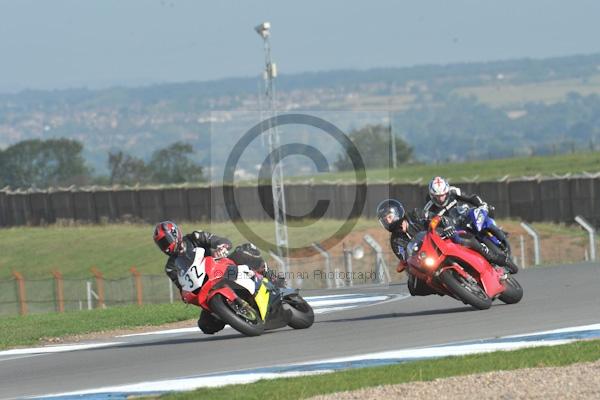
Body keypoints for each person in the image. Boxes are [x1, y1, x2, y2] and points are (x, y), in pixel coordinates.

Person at [423, 176, 518, 274]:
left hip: (464, 215)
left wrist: (481, 204)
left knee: (486, 211)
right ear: (432, 195)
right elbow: (429, 225)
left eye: (443, 195)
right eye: (437, 196)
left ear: (447, 191)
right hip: (456, 229)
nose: (441, 198)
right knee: (467, 243)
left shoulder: (453, 191)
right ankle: (487, 257)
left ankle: (498, 232)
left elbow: (471, 198)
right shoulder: (429, 208)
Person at [153, 220, 233, 334]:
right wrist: (185, 294)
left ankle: (264, 274)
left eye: (165, 241)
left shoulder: (195, 237)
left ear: (175, 234)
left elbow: (219, 240)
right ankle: (232, 316)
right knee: (205, 325)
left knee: (243, 254)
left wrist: (221, 247)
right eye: (161, 244)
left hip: (222, 270)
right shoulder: (170, 267)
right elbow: (181, 286)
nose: (165, 247)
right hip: (206, 290)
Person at [376, 199, 438, 296]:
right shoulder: (395, 241)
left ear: (397, 213)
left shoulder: (416, 214)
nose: (388, 221)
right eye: (385, 219)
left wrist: (443, 225)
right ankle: (439, 287)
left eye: (390, 217)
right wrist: (405, 263)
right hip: (424, 260)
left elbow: (437, 218)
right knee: (414, 287)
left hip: (440, 243)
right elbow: (405, 259)